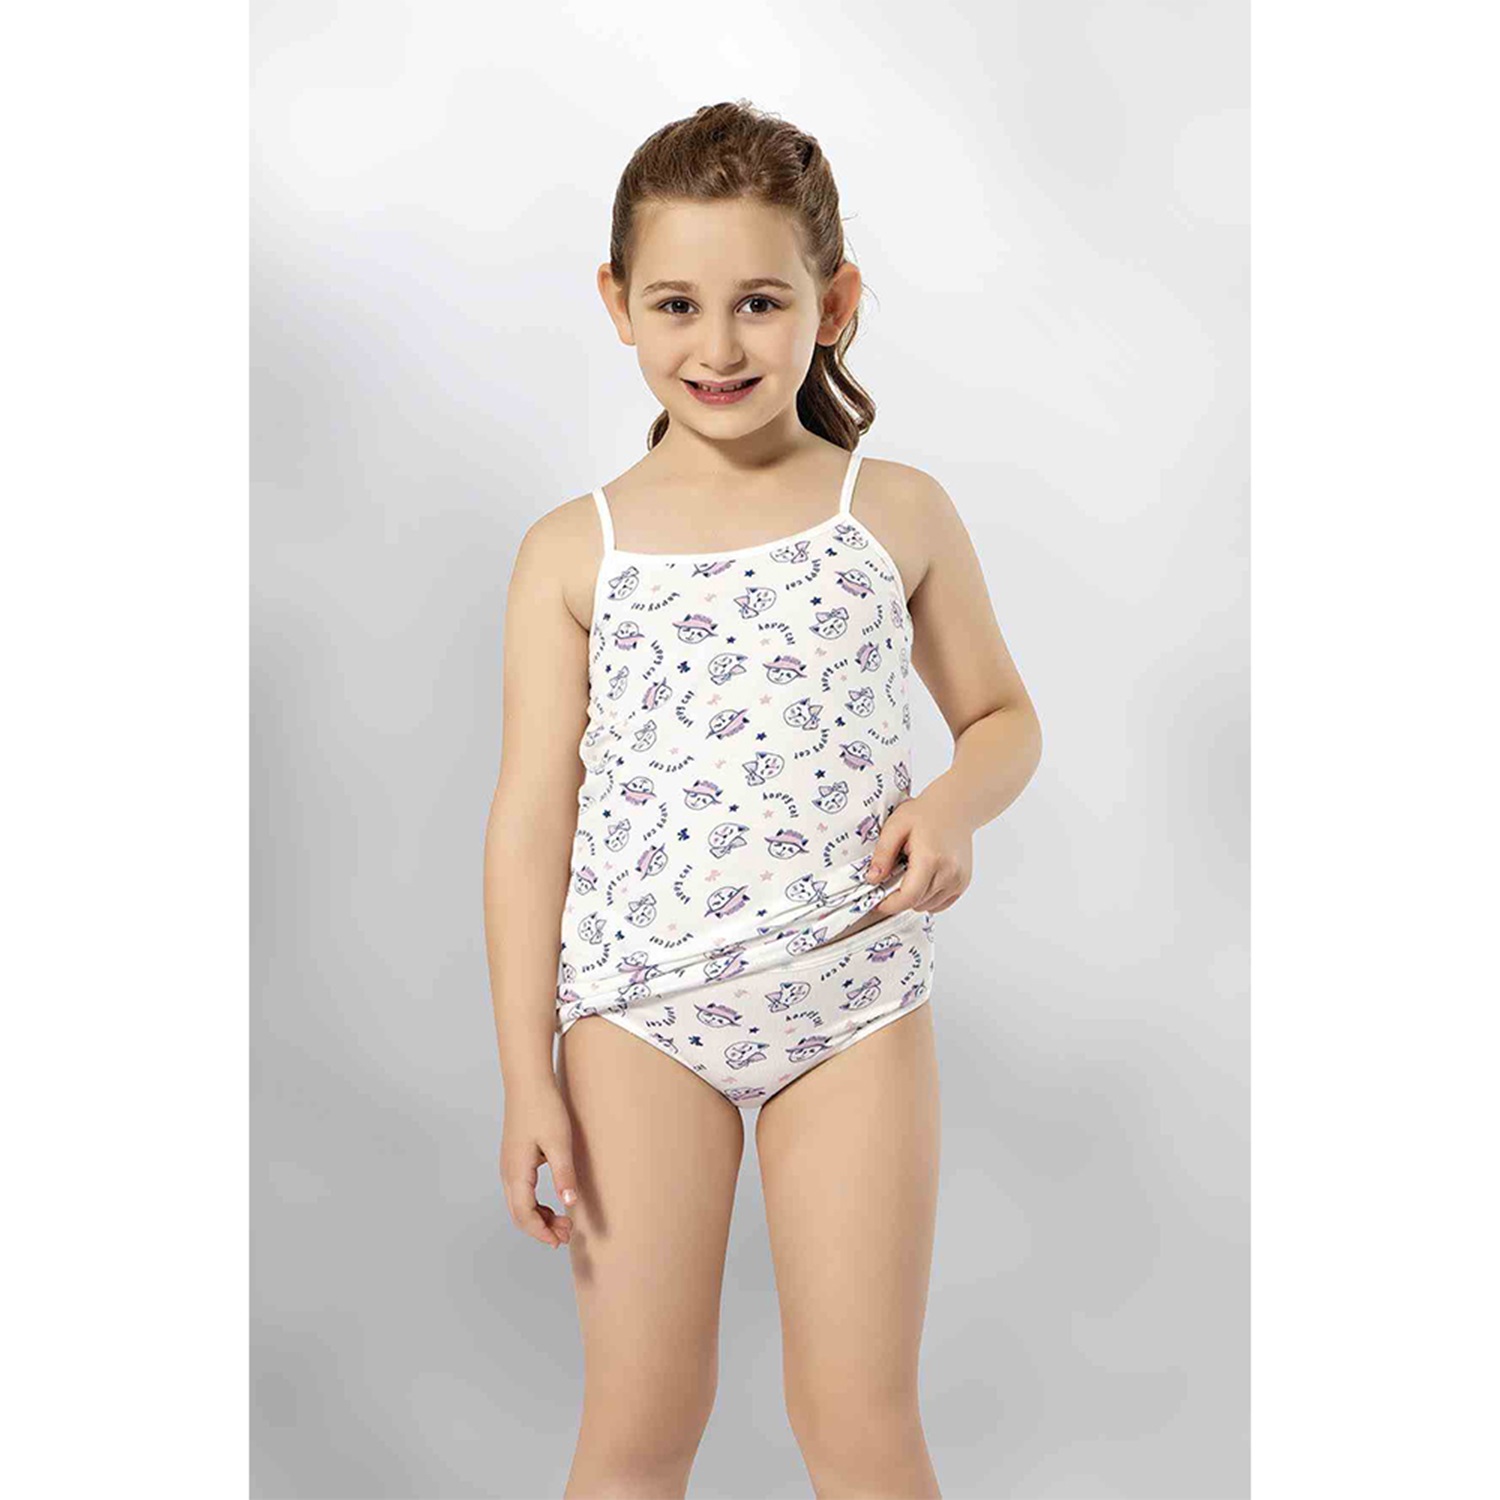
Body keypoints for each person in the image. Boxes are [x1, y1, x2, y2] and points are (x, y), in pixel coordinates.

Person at [485, 100, 1042, 1500]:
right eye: (678, 303)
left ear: (833, 303)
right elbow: (531, 821)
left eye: (761, 302)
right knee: (640, 1428)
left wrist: (954, 806)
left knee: (858, 1423)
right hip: (639, 1016)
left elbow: (1003, 720)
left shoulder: (893, 511)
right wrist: (524, 1075)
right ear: (618, 303)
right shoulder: (573, 550)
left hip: (854, 1006)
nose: (719, 346)